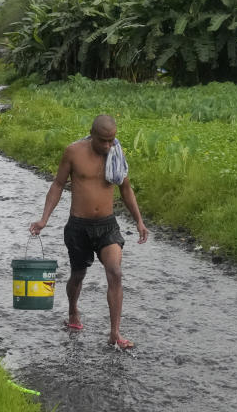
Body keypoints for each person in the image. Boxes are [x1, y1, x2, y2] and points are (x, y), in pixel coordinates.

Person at [29, 114, 148, 349]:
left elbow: (125, 189)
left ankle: (115, 334)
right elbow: (58, 185)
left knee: (115, 272)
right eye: (102, 140)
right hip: (78, 227)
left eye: (111, 140)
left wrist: (139, 221)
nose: (107, 145)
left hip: (107, 226)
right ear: (91, 134)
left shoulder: (116, 152)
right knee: (78, 275)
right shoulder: (73, 152)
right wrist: (44, 219)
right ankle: (73, 311)